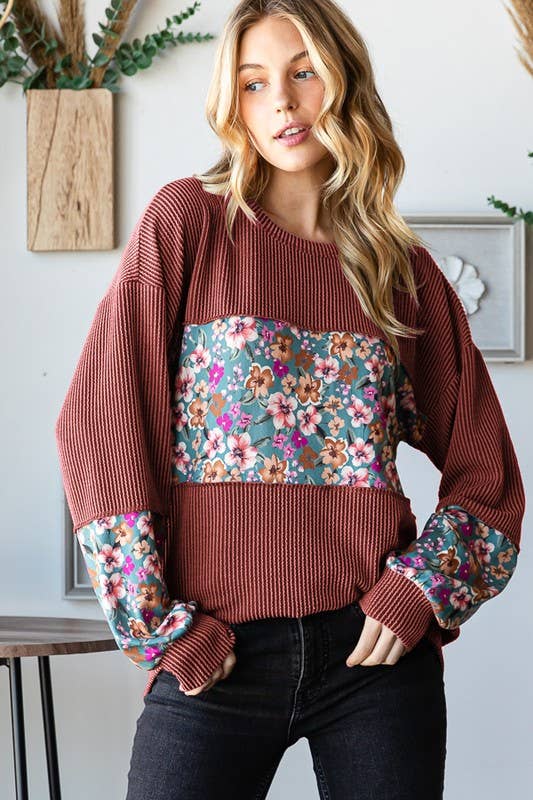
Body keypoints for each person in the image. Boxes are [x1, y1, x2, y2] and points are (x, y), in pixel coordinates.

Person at [54, 1, 525, 798]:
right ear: (231, 103)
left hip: (372, 664)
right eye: (252, 83)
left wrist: (418, 590)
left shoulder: (399, 274)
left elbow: (488, 479)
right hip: (217, 656)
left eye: (302, 72)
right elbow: (99, 426)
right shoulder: (187, 224)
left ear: (342, 82)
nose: (280, 100)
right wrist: (159, 627)